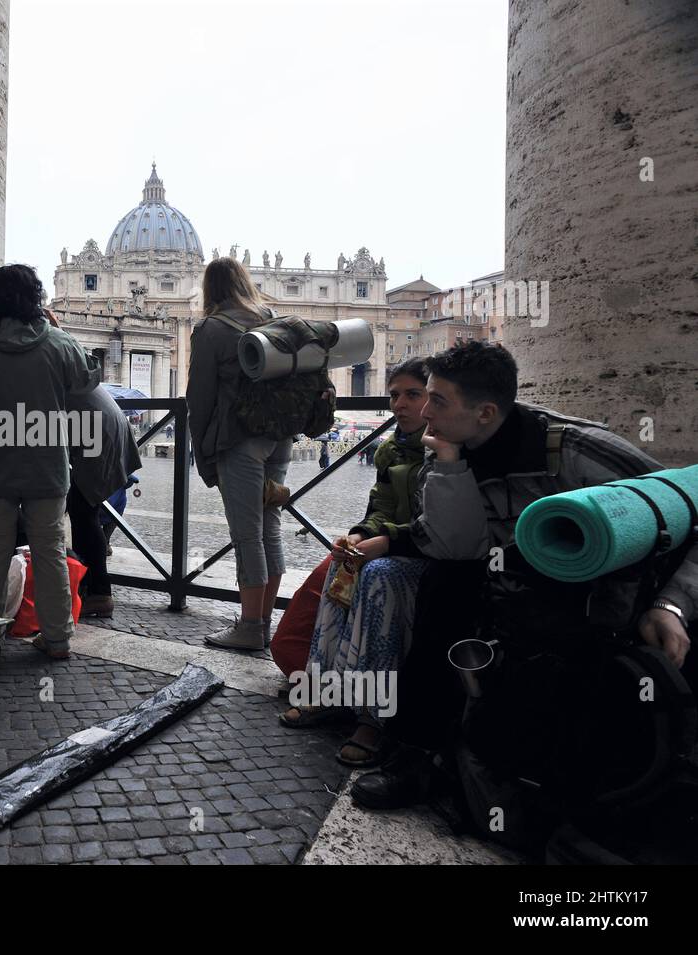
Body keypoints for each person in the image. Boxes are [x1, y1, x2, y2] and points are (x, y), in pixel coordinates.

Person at [353, 341, 698, 809]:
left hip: (602, 593)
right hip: (513, 585)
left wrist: (672, 604)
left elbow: (682, 512)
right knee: (445, 586)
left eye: (437, 400)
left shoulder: (576, 448)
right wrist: (450, 469)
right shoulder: (443, 452)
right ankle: (417, 754)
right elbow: (454, 546)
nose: (421, 411)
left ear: (485, 412)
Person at [0, 264, 101, 659]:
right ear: (36, 300)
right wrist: (59, 330)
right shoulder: (58, 344)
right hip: (47, 469)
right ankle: (58, 638)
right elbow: (89, 378)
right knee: (50, 551)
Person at [276, 357, 431, 766]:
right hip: (390, 544)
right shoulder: (390, 448)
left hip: (430, 553)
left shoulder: (446, 450)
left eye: (413, 394)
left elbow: (440, 527)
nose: (400, 403)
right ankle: (325, 689)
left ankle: (374, 717)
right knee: (340, 562)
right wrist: (360, 534)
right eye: (395, 394)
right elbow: (379, 507)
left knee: (378, 576)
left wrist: (385, 542)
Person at [187, 256, 293, 651]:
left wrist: (202, 452)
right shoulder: (272, 317)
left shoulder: (211, 328)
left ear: (210, 289)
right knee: (270, 529)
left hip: (240, 440)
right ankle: (263, 622)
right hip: (280, 437)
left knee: (247, 535)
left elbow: (199, 398)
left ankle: (250, 627)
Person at [65, 382, 142, 619]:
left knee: (83, 513)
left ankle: (98, 593)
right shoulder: (58, 352)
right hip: (106, 426)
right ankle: (91, 589)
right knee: (83, 511)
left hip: (95, 432)